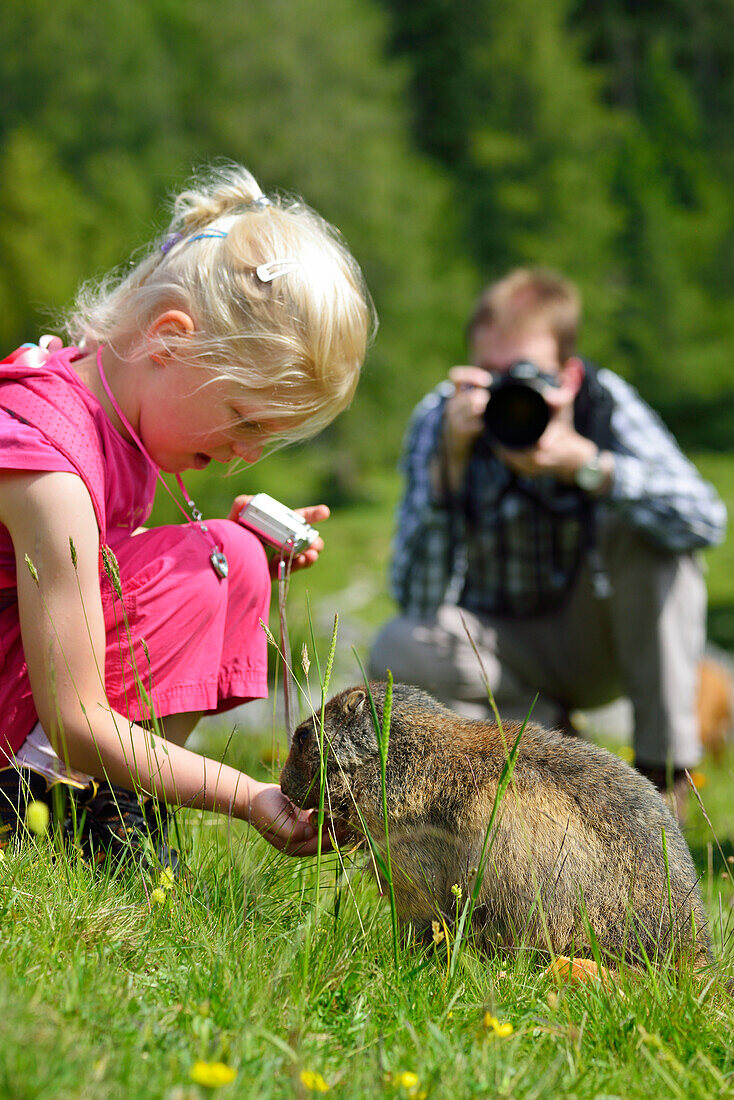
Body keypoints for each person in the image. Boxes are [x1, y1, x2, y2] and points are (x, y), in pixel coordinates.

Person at [0, 164, 374, 865]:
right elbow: (75, 715)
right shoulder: (48, 466)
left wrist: (224, 550)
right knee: (214, 557)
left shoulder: (117, 427)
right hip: (34, 723)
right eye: (243, 419)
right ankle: (53, 806)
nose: (243, 453)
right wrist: (244, 795)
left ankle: (105, 811)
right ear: (168, 340)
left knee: (231, 560)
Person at [369, 268, 727, 814]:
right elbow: (416, 598)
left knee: (654, 534)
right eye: (491, 374)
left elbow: (704, 520)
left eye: (526, 373)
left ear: (571, 375)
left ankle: (664, 774)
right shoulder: (445, 418)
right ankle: (549, 747)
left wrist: (588, 466)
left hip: (598, 635)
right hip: (498, 648)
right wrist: (451, 471)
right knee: (396, 647)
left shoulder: (601, 404)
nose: (507, 393)